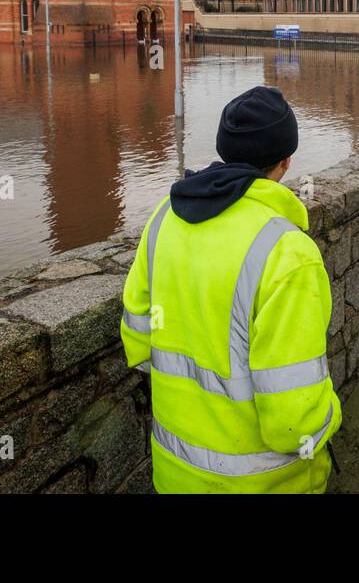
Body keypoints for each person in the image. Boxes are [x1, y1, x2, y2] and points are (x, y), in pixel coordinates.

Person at [120, 86, 341, 493]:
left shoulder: (163, 220)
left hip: (174, 473)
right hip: (263, 484)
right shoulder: (287, 252)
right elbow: (294, 421)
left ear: (224, 150)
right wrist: (330, 413)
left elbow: (137, 340)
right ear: (286, 161)